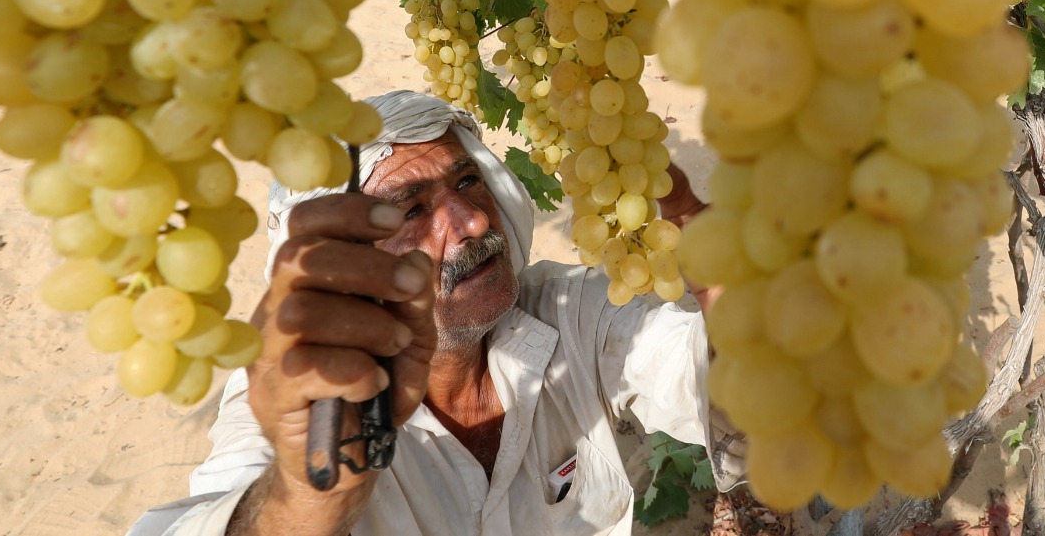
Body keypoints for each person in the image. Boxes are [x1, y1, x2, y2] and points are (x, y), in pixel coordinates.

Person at [128, 89, 741, 536]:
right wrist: (306, 503)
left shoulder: (568, 310)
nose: (472, 222)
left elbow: (708, 388)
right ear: (347, 265)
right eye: (411, 211)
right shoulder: (299, 402)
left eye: (469, 183)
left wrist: (732, 311)